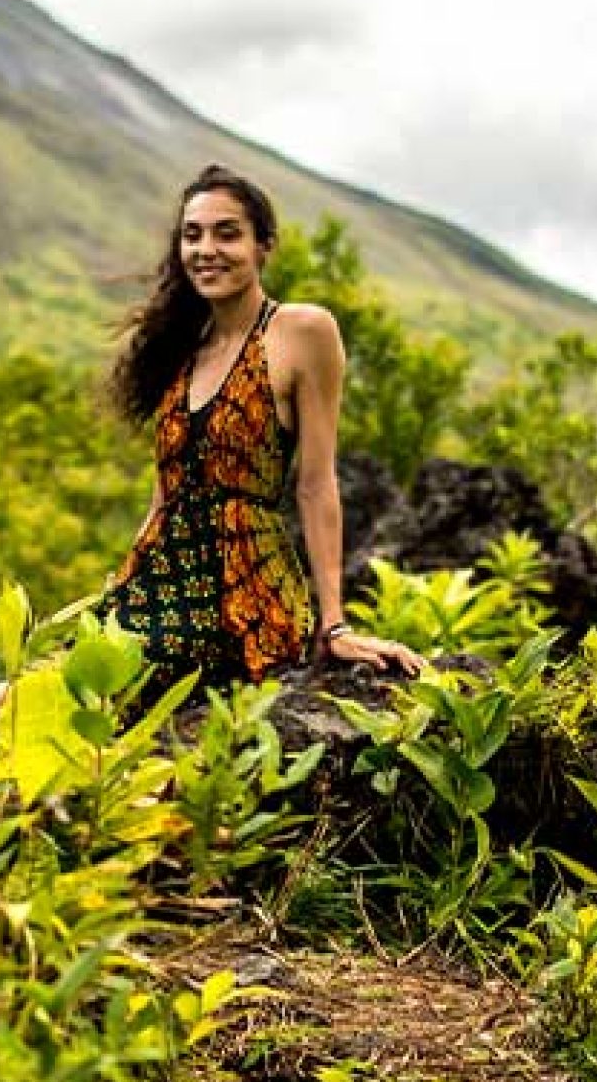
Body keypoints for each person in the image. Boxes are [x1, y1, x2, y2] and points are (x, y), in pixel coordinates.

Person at [104, 162, 423, 693]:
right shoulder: (180, 349)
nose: (206, 249)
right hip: (162, 583)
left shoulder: (301, 331)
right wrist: (119, 594)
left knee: (87, 694)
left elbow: (316, 483)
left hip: (242, 587)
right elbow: (164, 499)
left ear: (263, 246)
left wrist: (335, 623)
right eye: (192, 235)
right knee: (29, 686)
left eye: (227, 233)